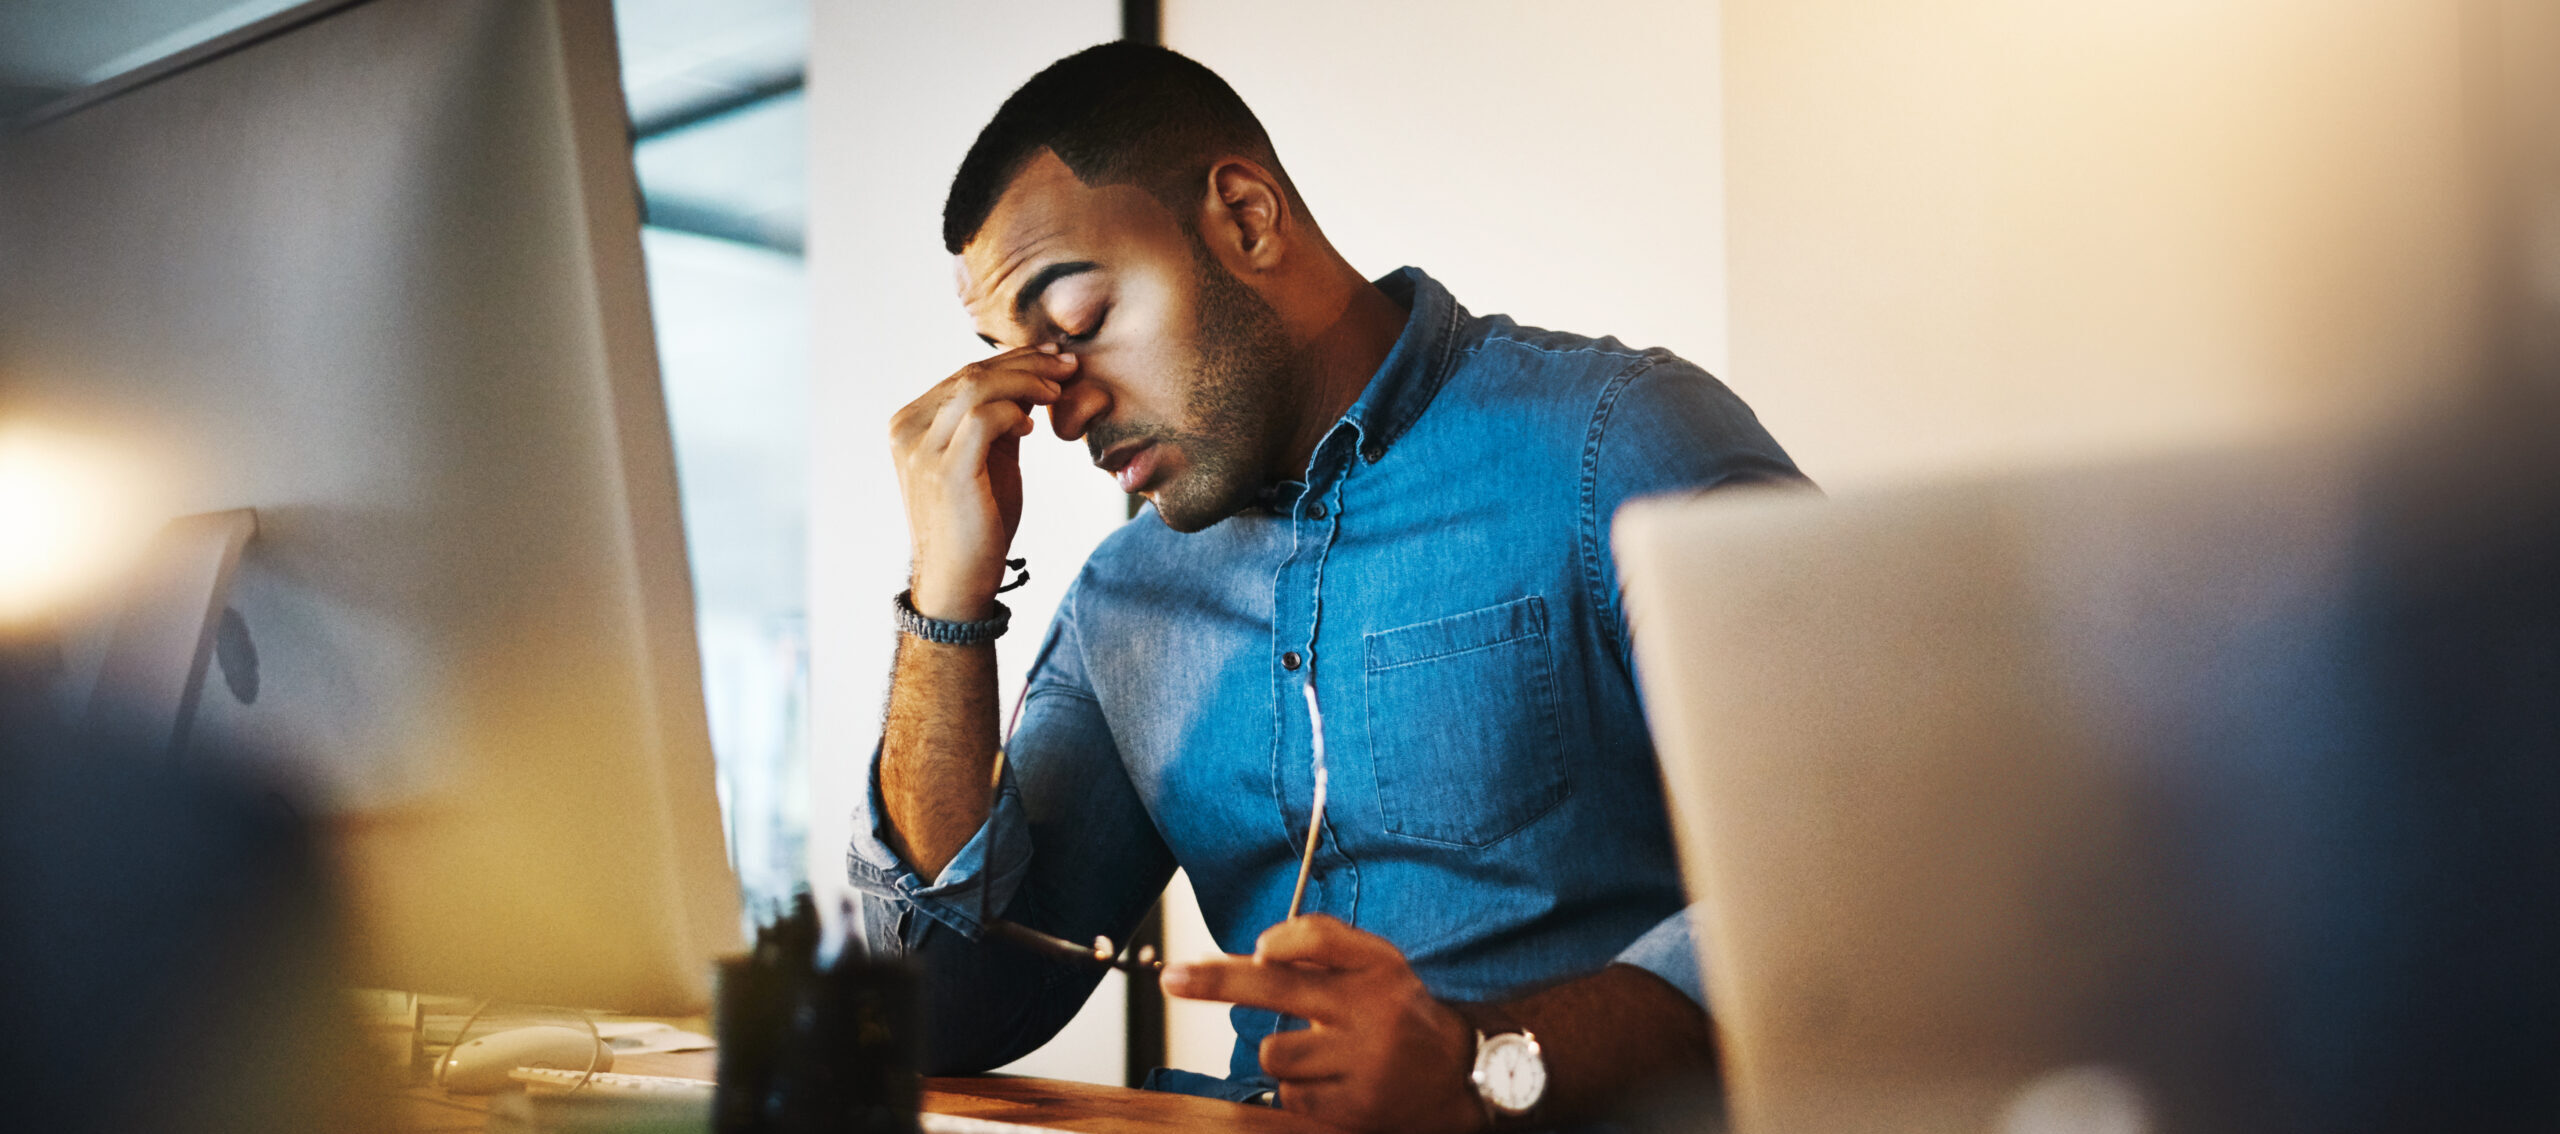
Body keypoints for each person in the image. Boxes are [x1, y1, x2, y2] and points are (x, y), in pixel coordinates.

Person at [849, 41, 1805, 1132]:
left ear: (1245, 220)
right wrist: (946, 600)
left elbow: (1860, 871)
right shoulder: (1128, 601)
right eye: (1018, 359)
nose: (1060, 410)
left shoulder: (1616, 444)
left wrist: (1481, 1061)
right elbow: (938, 1013)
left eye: (1074, 324)